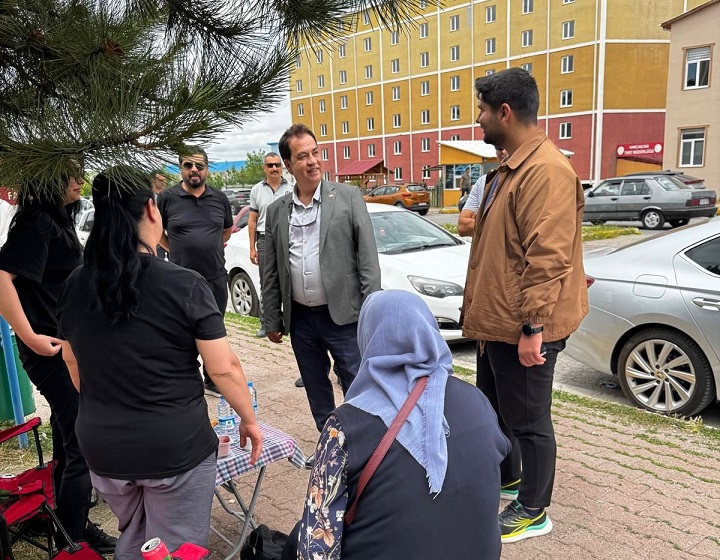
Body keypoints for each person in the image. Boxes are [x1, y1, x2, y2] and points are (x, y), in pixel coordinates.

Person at [56, 167, 263, 559]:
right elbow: (224, 369)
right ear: (152, 209)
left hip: (103, 449)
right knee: (174, 550)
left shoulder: (74, 285)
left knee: (135, 537)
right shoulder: (184, 284)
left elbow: (72, 362)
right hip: (173, 449)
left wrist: (110, 402)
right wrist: (249, 420)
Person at [283, 290, 510, 560]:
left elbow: (315, 550)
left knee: (300, 535)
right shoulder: (476, 400)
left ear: (368, 337)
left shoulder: (344, 427)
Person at [462, 67, 588, 543]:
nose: (478, 119)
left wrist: (534, 328)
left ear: (504, 112)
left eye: (481, 111)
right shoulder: (510, 168)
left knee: (530, 420)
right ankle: (511, 479)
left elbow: (547, 256)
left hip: (526, 327)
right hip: (499, 323)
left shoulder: (545, 171)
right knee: (499, 410)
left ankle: (534, 509)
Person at [0, 171, 117, 552]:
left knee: (70, 439)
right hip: (49, 353)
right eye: (69, 174)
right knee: (81, 442)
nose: (79, 180)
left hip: (68, 349)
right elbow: (1, 279)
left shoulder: (56, 219)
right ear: (48, 180)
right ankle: (73, 542)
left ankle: (70, 526)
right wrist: (30, 336)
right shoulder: (37, 222)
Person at [262, 123, 381, 433]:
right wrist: (272, 317)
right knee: (316, 387)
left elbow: (368, 260)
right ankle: (329, 442)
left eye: (315, 153)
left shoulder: (348, 197)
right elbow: (270, 269)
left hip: (344, 316)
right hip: (301, 319)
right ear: (288, 165)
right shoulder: (277, 211)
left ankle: (364, 442)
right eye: (302, 156)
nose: (313, 161)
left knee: (357, 384)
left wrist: (371, 313)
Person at [157, 147, 233, 396]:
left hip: (215, 277)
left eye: (199, 166)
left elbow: (226, 231)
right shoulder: (167, 198)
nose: (194, 170)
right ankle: (186, 380)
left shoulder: (219, 198)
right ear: (180, 169)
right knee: (182, 331)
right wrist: (173, 249)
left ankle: (212, 379)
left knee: (214, 329)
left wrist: (209, 245)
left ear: (207, 169)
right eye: (188, 165)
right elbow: (156, 231)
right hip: (181, 281)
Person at [247, 153, 292, 339]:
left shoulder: (292, 188)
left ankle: (289, 321)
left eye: (277, 165)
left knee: (289, 280)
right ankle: (266, 324)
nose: (274, 168)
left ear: (282, 167)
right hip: (265, 240)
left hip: (287, 238)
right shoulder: (257, 190)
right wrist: (252, 248)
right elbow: (252, 220)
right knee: (267, 282)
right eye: (270, 165)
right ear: (264, 168)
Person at [457, 147, 507, 237]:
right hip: (465, 187)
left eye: (506, 146)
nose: (503, 152)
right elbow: (462, 226)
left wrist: (479, 219)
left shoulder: (526, 180)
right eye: (498, 148)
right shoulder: (483, 181)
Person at [151, 171, 169, 260]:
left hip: (167, 237)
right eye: (160, 180)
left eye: (164, 180)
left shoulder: (169, 198)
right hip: (153, 238)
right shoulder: (148, 198)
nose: (163, 182)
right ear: (152, 180)